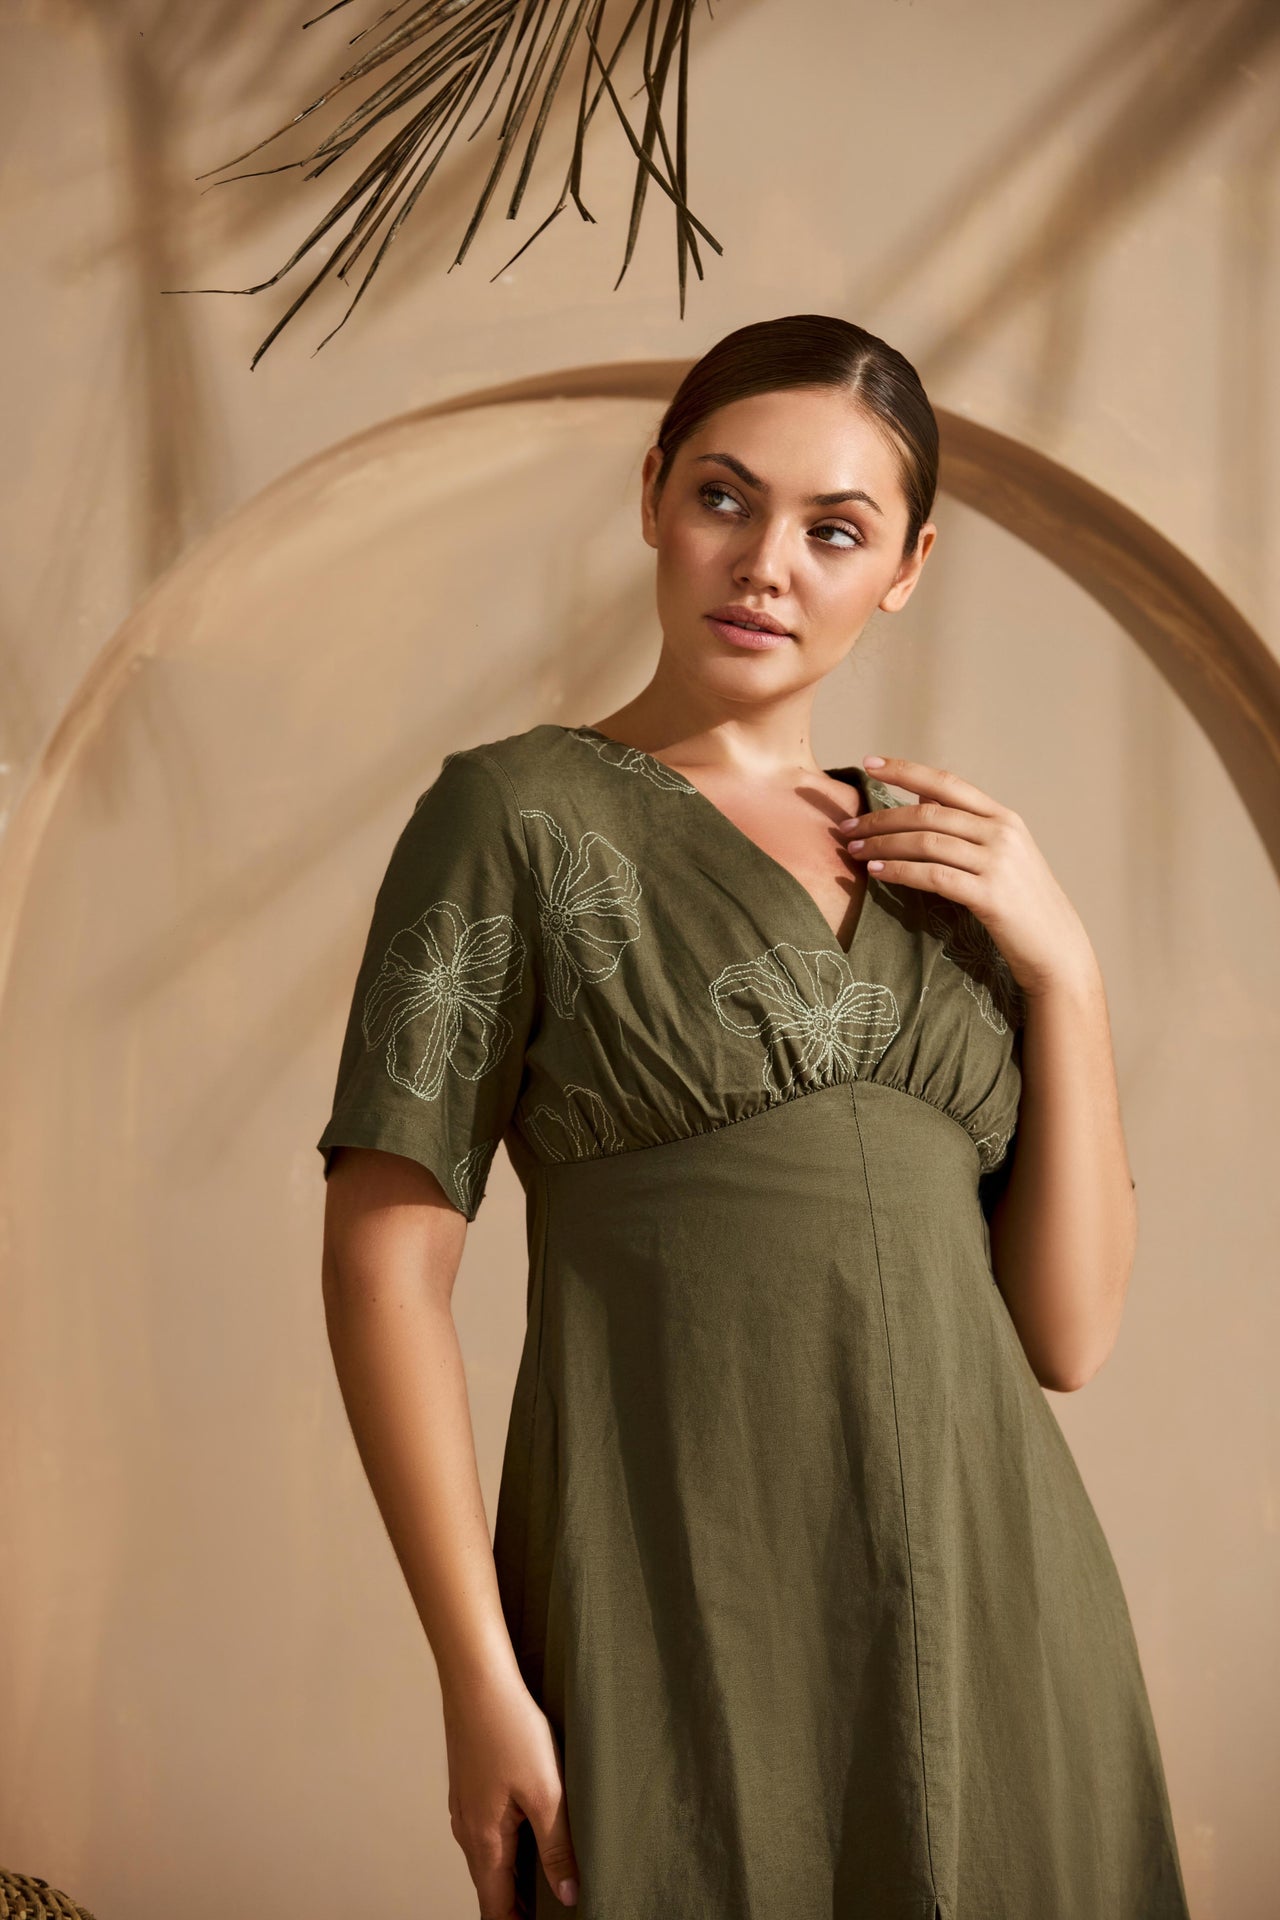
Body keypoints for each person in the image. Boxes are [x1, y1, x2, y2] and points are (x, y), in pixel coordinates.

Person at [316, 313, 1191, 1920]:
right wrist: (477, 1676)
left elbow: (1067, 1335)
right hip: (674, 1615)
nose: (767, 565)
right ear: (653, 493)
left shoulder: (947, 868)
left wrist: (1065, 972)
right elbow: (385, 1272)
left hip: (1008, 1627)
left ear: (907, 567)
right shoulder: (515, 814)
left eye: (835, 530)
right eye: (725, 497)